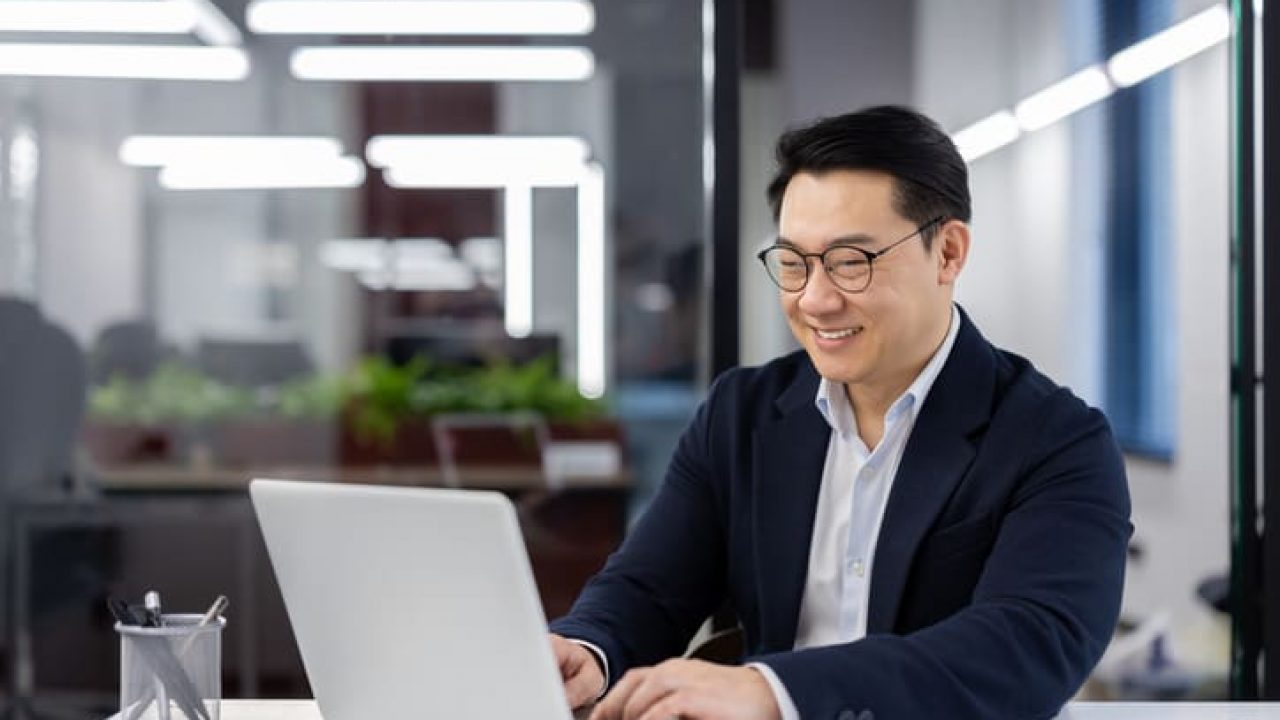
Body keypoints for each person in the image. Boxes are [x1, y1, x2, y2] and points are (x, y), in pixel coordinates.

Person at [549, 106, 1132, 720]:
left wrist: (776, 691)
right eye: (794, 262)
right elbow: (649, 589)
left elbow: (1026, 646)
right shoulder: (740, 415)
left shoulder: (1057, 441)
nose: (815, 300)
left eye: (852, 261)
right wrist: (590, 649)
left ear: (949, 253)